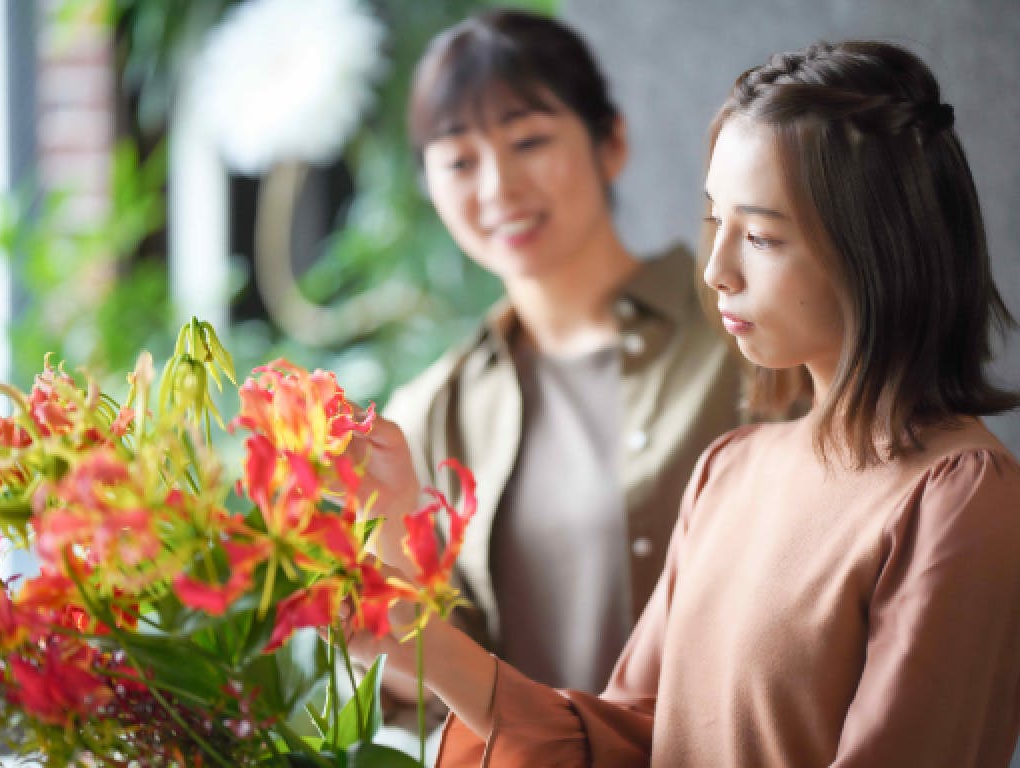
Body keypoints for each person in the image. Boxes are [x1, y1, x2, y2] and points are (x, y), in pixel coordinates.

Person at [354, 39, 1020, 767]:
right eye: (714, 220)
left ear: (878, 248)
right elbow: (630, 737)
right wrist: (411, 630)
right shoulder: (727, 470)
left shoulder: (956, 496)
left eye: (760, 236)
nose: (716, 271)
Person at [382, 7, 743, 700]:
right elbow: (418, 696)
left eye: (529, 141)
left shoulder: (741, 336)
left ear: (612, 143)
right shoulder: (429, 415)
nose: (499, 187)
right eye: (460, 161)